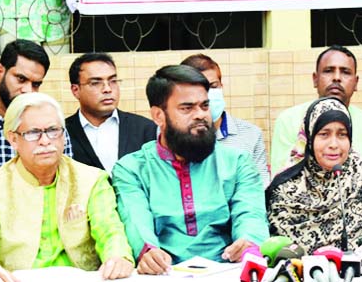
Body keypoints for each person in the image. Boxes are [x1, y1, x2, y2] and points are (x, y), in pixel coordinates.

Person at [112, 65, 268, 274]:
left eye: (204, 106)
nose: (200, 115)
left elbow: (251, 213)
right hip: (162, 272)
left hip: (227, 269)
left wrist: (249, 241)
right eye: (187, 108)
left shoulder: (237, 162)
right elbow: (135, 219)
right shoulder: (132, 169)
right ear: (159, 116)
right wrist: (147, 251)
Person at [0, 92, 133, 281]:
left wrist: (119, 256)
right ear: (13, 139)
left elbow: (110, 230)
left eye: (53, 130)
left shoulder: (92, 180)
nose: (45, 141)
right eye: (33, 133)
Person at [266, 97, 362, 253]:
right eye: (324, 134)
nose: (334, 144)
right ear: (309, 138)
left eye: (342, 135)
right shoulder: (285, 188)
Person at [0, 39, 72, 193]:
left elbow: (67, 186)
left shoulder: (53, 129)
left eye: (36, 84)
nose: (28, 90)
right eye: (21, 79)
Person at [270, 45, 362, 175]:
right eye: (328, 71)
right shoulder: (288, 120)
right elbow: (280, 180)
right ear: (315, 79)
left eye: (345, 72)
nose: (336, 78)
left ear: (356, 82)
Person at [181, 53, 269, 186]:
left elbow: (260, 188)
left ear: (222, 86)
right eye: (197, 87)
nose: (206, 95)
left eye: (213, 86)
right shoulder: (169, 134)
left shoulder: (251, 134)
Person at [66, 53, 157, 173]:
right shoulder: (61, 133)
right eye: (95, 83)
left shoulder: (146, 129)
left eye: (113, 81)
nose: (107, 89)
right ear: (76, 90)